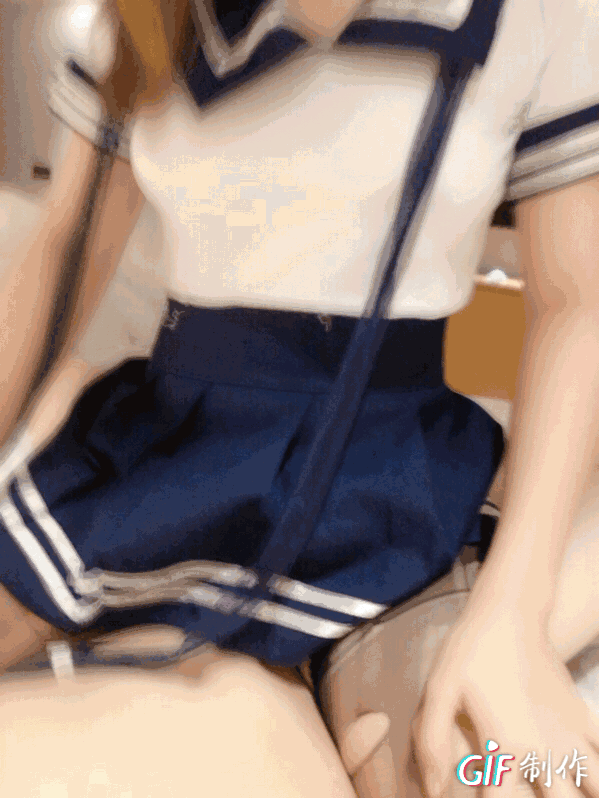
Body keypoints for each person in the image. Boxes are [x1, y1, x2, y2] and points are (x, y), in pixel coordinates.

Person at [2, 0, 599, 795]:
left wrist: (514, 614)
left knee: (473, 765)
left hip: (391, 474)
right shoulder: (129, 19)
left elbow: (575, 303)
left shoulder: (540, 17)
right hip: (168, 453)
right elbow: (60, 255)